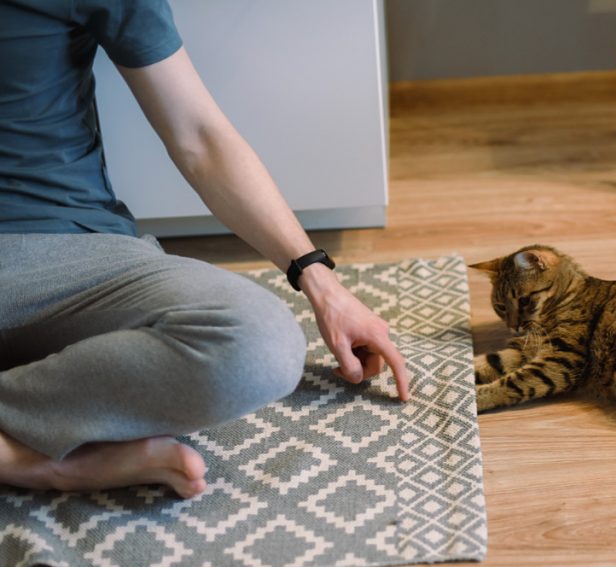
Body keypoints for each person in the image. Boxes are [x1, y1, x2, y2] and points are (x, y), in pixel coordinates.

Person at [0, 0, 411, 499]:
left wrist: (320, 281)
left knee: (258, 347)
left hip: (75, 253)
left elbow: (199, 137)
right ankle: (32, 461)